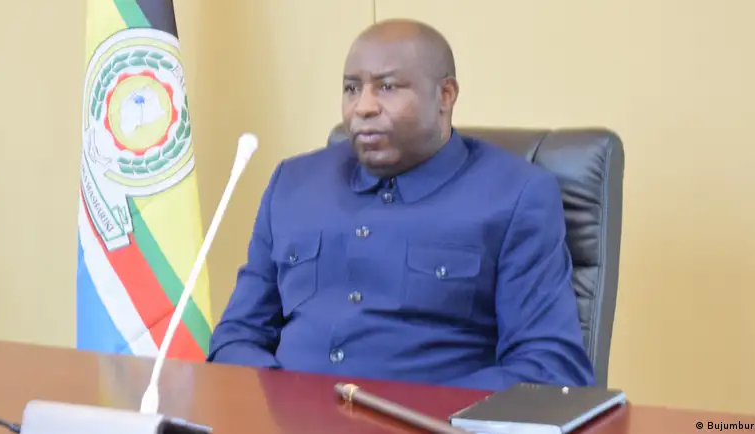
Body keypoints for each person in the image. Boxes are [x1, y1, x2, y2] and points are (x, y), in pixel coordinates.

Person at [206, 19, 594, 391]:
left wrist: (404, 412)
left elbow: (550, 370)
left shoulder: (515, 195)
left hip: (427, 422)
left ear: (445, 95)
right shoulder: (293, 184)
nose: (363, 107)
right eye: (351, 88)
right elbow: (237, 336)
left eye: (387, 87)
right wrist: (281, 402)